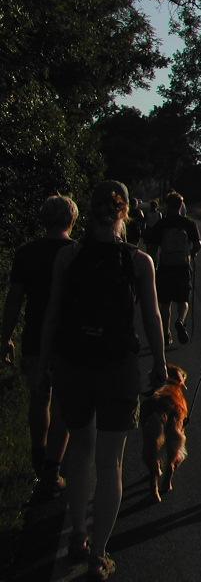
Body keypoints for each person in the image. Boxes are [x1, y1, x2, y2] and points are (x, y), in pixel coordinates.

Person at [38, 180, 167, 580]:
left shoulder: (69, 256)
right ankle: (99, 555)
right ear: (125, 211)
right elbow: (152, 317)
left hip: (74, 365)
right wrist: (160, 363)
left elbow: (53, 313)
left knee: (80, 452)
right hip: (118, 369)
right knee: (111, 463)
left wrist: (45, 364)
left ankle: (77, 534)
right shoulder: (138, 261)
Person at [1, 195, 77, 498]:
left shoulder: (26, 253)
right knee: (63, 404)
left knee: (39, 397)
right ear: (72, 220)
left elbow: (14, 300)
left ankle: (38, 453)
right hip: (69, 339)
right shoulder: (77, 253)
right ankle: (52, 469)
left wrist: (5, 336)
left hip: (34, 335)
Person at [148, 192, 201, 346]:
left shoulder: (162, 224)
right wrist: (191, 254)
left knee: (165, 303)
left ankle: (166, 334)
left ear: (167, 205)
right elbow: (198, 245)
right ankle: (180, 321)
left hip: (165, 267)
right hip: (182, 266)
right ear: (180, 206)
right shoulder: (189, 223)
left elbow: (153, 247)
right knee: (183, 300)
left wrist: (153, 265)